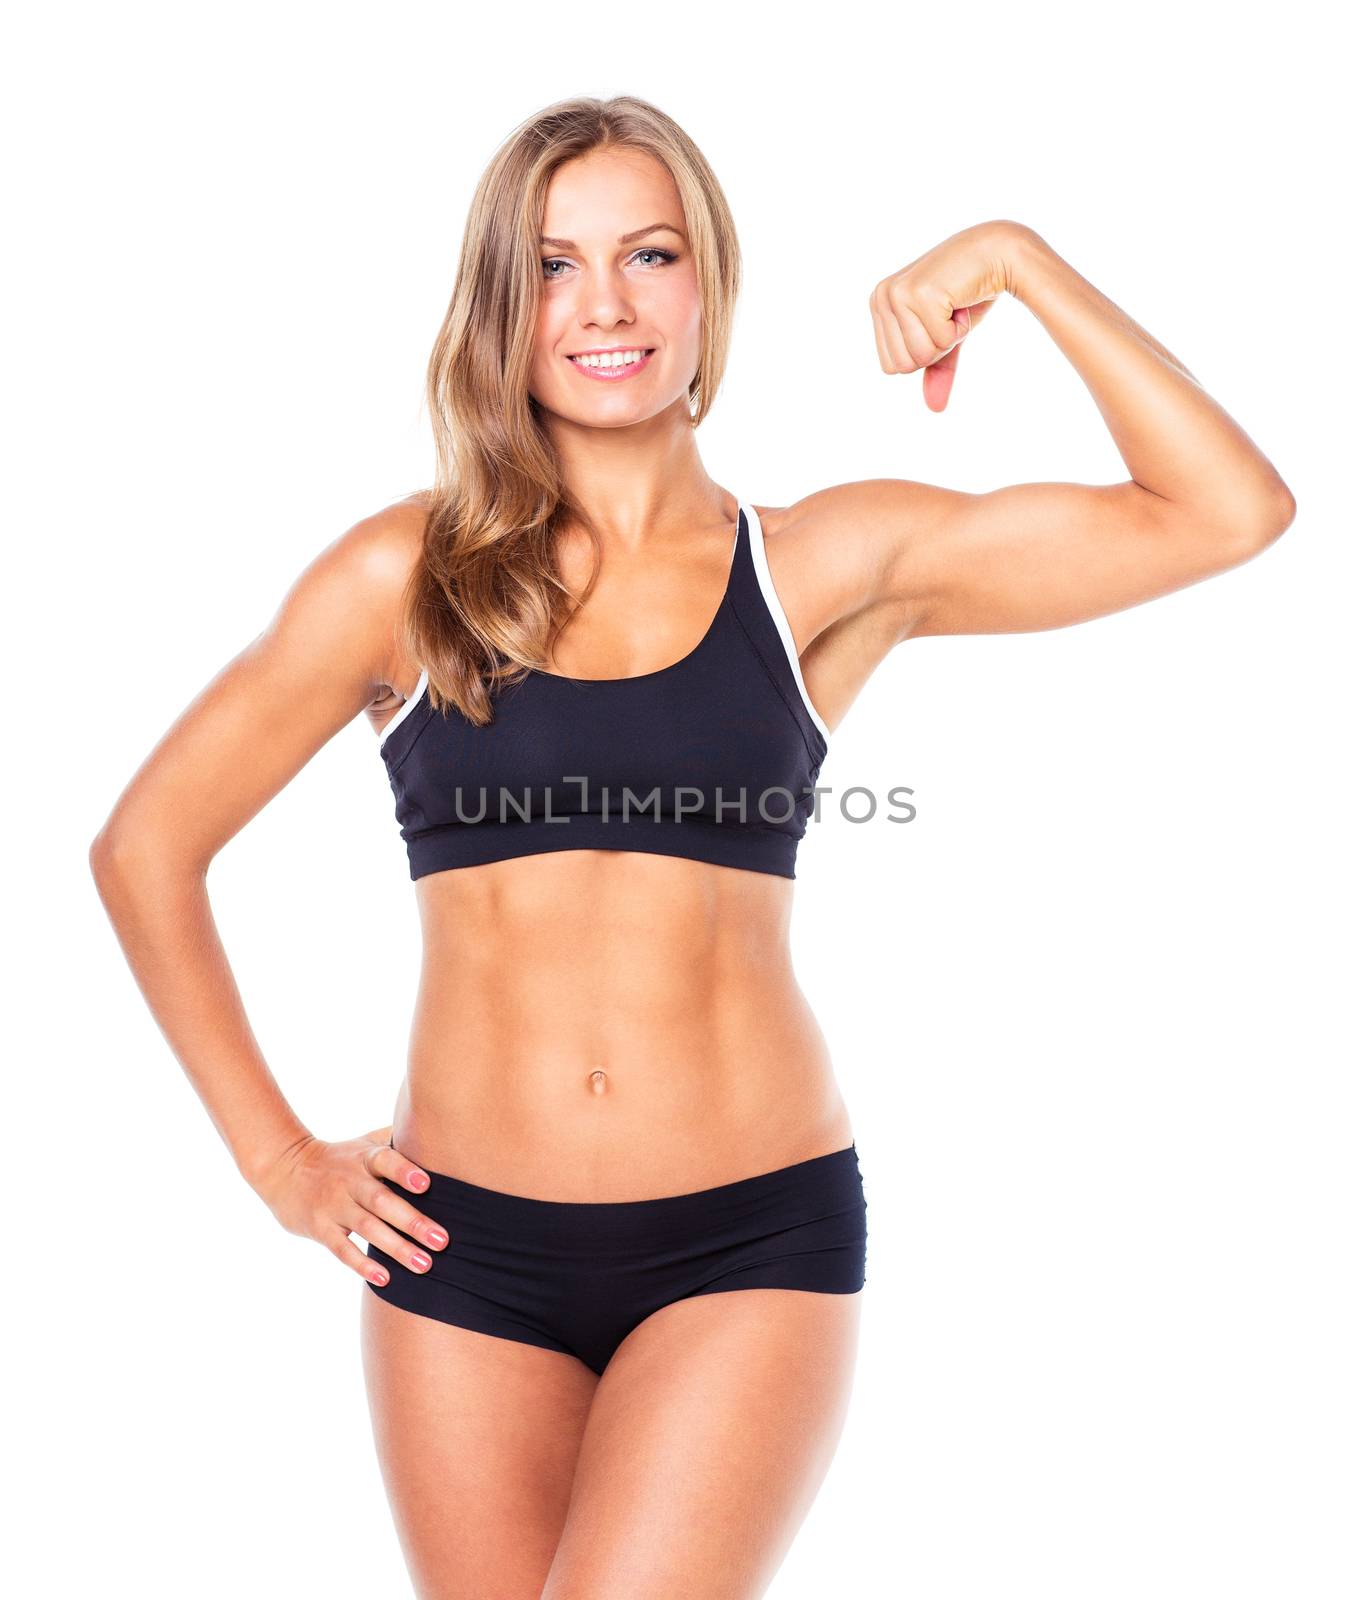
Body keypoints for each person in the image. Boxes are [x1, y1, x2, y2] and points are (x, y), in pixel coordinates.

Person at [89, 94, 1294, 1599]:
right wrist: (277, 1161)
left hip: (748, 1242)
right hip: (462, 1260)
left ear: (709, 282)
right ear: (496, 304)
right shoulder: (408, 577)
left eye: (650, 255)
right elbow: (147, 847)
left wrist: (1020, 261)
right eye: (552, 265)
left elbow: (1226, 510)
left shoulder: (818, 565)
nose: (605, 304)